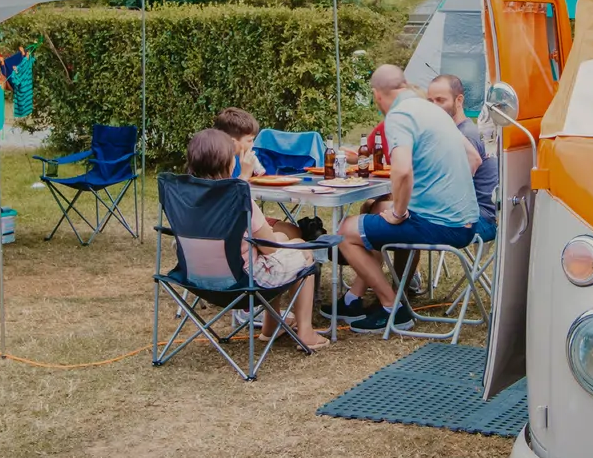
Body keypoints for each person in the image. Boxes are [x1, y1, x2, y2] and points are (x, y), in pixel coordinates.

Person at [336, 65, 478, 331]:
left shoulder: (399, 115)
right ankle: (353, 299)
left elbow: (401, 171)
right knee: (379, 210)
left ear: (378, 95)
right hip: (465, 221)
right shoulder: (432, 110)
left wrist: (400, 213)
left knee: (345, 232)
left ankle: (393, 308)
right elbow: (474, 158)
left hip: (439, 224)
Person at [186, 128, 326, 349]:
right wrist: (289, 242)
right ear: (228, 164)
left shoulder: (186, 197)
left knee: (267, 247)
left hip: (196, 278)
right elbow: (270, 249)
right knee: (298, 247)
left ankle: (272, 326)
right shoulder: (239, 196)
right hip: (241, 281)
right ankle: (306, 333)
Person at [428, 73, 498, 243]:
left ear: (459, 101)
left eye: (440, 100)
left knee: (402, 220)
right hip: (472, 213)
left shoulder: (465, 135)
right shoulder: (458, 131)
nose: (434, 107)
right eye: (430, 102)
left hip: (480, 220)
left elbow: (452, 188)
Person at [214, 106, 267, 179]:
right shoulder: (216, 162)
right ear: (232, 142)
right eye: (249, 140)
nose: (253, 144)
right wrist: (244, 175)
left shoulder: (231, 157)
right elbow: (225, 189)